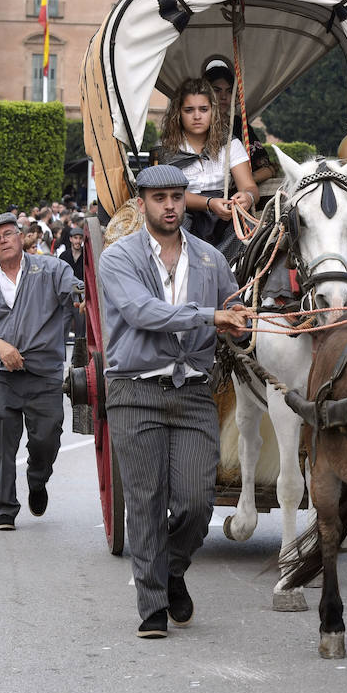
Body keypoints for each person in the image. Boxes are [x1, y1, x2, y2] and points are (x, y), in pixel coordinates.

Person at [96, 164, 250, 639]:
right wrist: (212, 316)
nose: (169, 206)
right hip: (134, 390)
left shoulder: (210, 260)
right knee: (144, 501)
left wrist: (244, 319)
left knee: (196, 502)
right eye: (159, 197)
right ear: (140, 203)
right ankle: (152, 606)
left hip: (193, 393)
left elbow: (234, 313)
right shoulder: (118, 258)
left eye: (177, 197)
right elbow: (142, 312)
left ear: (186, 202)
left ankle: (172, 568)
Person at [0, 212, 80, 532]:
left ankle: (38, 479)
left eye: (8, 234)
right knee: (2, 430)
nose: (3, 241)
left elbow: (77, 296)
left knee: (47, 438)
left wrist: (81, 298)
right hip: (2, 374)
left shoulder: (52, 269)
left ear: (21, 237)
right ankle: (4, 509)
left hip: (44, 371)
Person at [152, 76, 258, 249]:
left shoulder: (230, 144)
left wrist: (248, 196)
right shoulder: (166, 149)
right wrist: (209, 204)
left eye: (203, 109)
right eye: (189, 110)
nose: (196, 116)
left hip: (222, 215)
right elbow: (167, 194)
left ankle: (228, 269)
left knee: (245, 226)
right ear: (178, 113)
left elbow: (249, 186)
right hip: (182, 214)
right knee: (175, 222)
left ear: (213, 111)